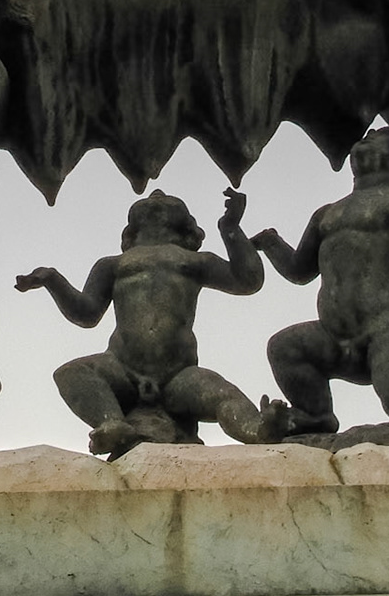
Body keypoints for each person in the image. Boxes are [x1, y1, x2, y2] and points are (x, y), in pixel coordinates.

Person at [15, 188, 290, 458]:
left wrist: (230, 228)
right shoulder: (112, 265)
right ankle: (113, 422)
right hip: (122, 368)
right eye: (152, 196)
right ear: (130, 231)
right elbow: (86, 313)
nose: (156, 193)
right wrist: (53, 280)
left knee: (222, 393)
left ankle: (256, 429)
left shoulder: (194, 260)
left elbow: (248, 280)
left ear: (188, 227)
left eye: (163, 197)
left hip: (178, 375)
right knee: (71, 373)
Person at [252, 127, 389, 434]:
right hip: (333, 337)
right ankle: (315, 414)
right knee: (284, 347)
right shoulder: (327, 214)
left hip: (387, 332)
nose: (369, 132)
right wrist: (271, 243)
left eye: (380, 135)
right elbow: (299, 270)